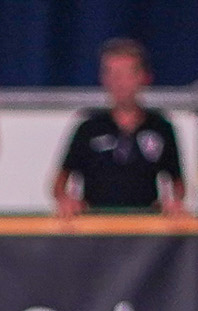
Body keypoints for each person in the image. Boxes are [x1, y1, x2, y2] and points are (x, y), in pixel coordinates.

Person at [55, 39, 185, 218]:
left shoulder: (161, 127)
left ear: (144, 77)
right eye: (112, 74)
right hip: (94, 229)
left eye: (126, 74)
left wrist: (173, 202)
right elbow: (59, 182)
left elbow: (178, 182)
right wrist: (67, 200)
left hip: (146, 234)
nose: (119, 82)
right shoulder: (89, 127)